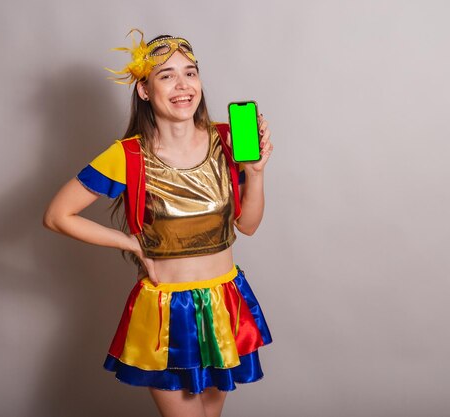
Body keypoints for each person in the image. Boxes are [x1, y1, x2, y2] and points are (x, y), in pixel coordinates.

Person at [43, 30, 273, 417]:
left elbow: (247, 225)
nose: (183, 85)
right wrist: (130, 243)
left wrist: (257, 172)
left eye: (190, 73)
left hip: (224, 302)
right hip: (169, 313)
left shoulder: (228, 139)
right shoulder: (127, 155)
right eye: (167, 75)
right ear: (145, 90)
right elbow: (56, 215)